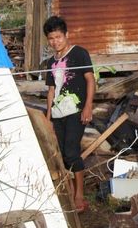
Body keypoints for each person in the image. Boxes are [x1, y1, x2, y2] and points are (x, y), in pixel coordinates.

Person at [44, 15, 95, 213]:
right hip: (58, 113)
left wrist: (88, 106)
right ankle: (72, 192)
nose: (55, 41)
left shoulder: (79, 53)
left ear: (66, 35)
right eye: (51, 38)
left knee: (72, 151)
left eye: (58, 37)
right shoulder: (50, 62)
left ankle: (79, 195)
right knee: (65, 154)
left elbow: (90, 80)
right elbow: (50, 91)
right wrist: (48, 119)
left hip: (76, 110)